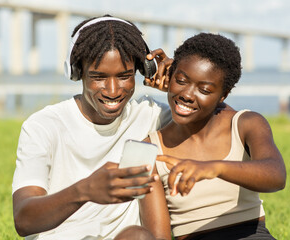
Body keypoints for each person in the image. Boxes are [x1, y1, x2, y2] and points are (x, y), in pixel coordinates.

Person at [12, 15, 173, 240]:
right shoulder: (43, 126)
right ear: (77, 73)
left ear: (143, 70)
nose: (113, 90)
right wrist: (85, 190)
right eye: (98, 77)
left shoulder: (154, 115)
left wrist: (181, 86)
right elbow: (23, 219)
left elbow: (224, 130)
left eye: (125, 76)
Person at [145, 32, 287, 239]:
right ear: (170, 77)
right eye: (181, 80)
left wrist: (214, 167)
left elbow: (276, 175)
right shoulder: (150, 148)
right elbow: (159, 235)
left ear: (224, 94)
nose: (187, 94)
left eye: (204, 89)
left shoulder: (245, 124)